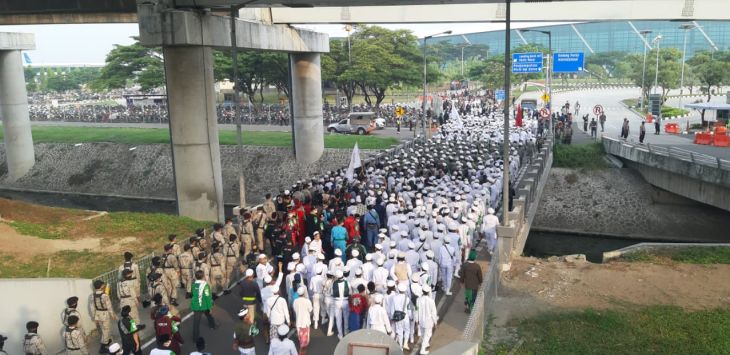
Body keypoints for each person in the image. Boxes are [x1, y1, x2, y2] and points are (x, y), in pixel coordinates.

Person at [191, 270, 216, 342]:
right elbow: (208, 297)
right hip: (204, 306)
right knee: (209, 315)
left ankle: (195, 338)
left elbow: (193, 294)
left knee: (196, 323)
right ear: (203, 276)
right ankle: (212, 326)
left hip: (196, 306)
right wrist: (210, 307)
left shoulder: (193, 284)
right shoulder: (205, 285)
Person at [92, 279, 115, 353]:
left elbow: (92, 307)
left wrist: (95, 317)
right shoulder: (104, 295)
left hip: (98, 314)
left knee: (103, 328)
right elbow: (109, 306)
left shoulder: (93, 295)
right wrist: (112, 314)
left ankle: (107, 340)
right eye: (103, 284)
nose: (104, 285)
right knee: (106, 330)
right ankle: (103, 346)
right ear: (101, 286)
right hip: (105, 314)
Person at [416, 285, 438, 355]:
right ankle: (422, 350)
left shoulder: (418, 300)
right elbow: (434, 313)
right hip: (429, 321)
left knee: (423, 334)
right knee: (427, 335)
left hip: (421, 320)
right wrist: (435, 322)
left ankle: (426, 344)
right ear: (428, 292)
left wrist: (417, 320)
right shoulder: (431, 301)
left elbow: (416, 310)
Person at [292, 287, 313, 355]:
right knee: (306, 336)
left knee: (300, 335)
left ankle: (301, 346)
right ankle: (303, 350)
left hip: (299, 321)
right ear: (304, 293)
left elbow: (295, 310)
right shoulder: (307, 301)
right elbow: (310, 310)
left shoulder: (295, 301)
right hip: (306, 321)